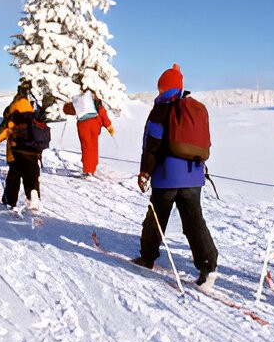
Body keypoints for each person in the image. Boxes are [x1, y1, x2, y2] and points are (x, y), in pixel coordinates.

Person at [133, 63, 218, 289]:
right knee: (194, 221)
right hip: (193, 175)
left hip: (167, 176)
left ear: (162, 87)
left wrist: (145, 172)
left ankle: (147, 258)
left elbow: (151, 146)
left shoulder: (161, 110)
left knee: (156, 218)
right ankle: (208, 266)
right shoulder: (192, 110)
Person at [0, 81, 47, 211]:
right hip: (33, 152)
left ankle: (10, 201)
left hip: (16, 153)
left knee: (13, 177)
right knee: (31, 176)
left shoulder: (13, 115)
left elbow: (3, 131)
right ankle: (33, 195)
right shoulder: (33, 115)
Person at [63, 85, 114, 177]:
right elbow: (104, 116)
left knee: (86, 147)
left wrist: (68, 104)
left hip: (83, 127)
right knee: (94, 147)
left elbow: (67, 110)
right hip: (95, 127)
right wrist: (110, 128)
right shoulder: (98, 103)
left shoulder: (80, 102)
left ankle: (87, 170)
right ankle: (92, 168)